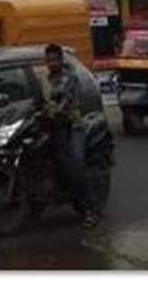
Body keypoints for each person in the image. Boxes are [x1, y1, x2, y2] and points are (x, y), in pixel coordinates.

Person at [39, 43, 98, 229]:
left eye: (55, 59)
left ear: (61, 60)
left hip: (73, 125)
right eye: (48, 60)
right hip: (54, 126)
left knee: (75, 166)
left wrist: (57, 110)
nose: (51, 63)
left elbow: (66, 101)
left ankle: (89, 211)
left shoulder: (69, 77)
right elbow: (42, 99)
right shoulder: (45, 78)